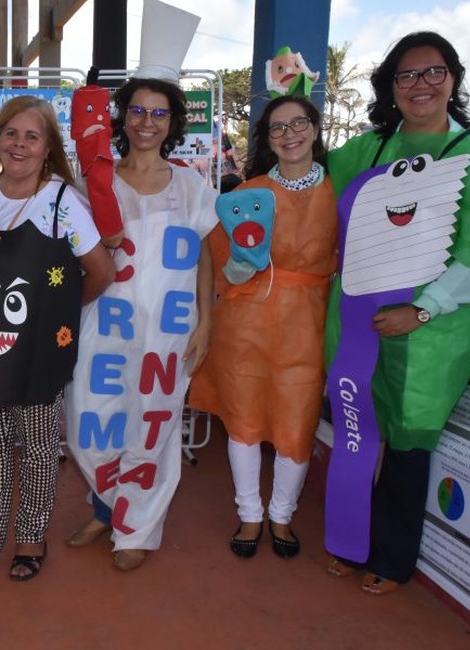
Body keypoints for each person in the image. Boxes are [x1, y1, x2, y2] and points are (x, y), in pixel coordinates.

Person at [323, 31, 470, 595]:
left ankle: (389, 557)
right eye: (407, 75)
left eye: (433, 72)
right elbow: (311, 187)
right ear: (391, 87)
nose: (421, 85)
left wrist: (423, 310)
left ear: (453, 79)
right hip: (357, 323)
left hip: (432, 337)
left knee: (407, 446)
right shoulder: (371, 149)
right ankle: (350, 540)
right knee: (358, 434)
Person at [0, 96, 115, 582]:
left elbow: (101, 270)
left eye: (32, 136)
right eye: (11, 134)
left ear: (47, 148)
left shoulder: (61, 203)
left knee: (39, 447)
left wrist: (56, 314)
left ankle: (31, 537)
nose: (20, 144)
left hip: (38, 353)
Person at [64, 76, 218, 571]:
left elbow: (206, 259)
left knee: (153, 427)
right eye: (137, 111)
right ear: (122, 116)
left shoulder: (192, 185)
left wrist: (207, 323)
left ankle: (137, 528)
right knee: (92, 423)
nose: (146, 122)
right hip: (104, 323)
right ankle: (108, 506)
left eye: (158, 114)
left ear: (172, 123)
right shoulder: (93, 183)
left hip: (169, 331)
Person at [189, 95, 336, 561]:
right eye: (277, 128)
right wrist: (237, 265)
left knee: (297, 423)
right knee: (245, 420)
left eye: (299, 123)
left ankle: (283, 514)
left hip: (307, 325)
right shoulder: (244, 194)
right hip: (246, 324)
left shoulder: (341, 192)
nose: (289, 134)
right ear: (266, 139)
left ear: (315, 129)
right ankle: (250, 512)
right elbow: (214, 264)